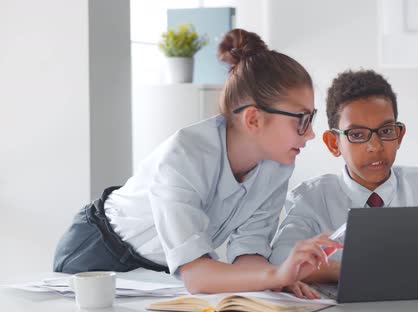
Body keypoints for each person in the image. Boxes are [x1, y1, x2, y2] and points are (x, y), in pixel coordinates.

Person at [53, 28, 341, 298]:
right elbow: (197, 277)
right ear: (254, 119)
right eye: (301, 120)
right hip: (97, 251)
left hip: (160, 272)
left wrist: (280, 277)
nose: (312, 133)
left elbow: (248, 253)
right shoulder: (185, 155)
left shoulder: (277, 164)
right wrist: (276, 274)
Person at [269, 69, 418, 283]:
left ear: (399, 136)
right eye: (357, 135)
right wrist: (352, 271)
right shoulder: (311, 200)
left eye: (386, 131)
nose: (375, 146)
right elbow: (281, 261)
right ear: (334, 143)